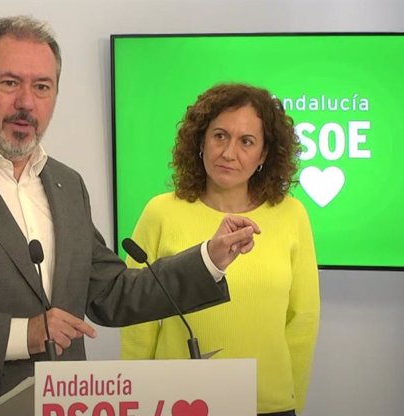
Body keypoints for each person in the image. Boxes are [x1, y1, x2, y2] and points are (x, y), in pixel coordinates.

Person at [0, 17, 260, 415]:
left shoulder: (66, 184)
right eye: (9, 83)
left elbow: (112, 293)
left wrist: (209, 258)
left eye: (42, 87)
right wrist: (25, 333)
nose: (26, 102)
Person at [120, 83, 320, 416]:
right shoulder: (160, 212)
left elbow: (303, 319)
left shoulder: (291, 215)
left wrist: (292, 399)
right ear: (200, 141)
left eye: (247, 141)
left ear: (264, 155)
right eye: (219, 136)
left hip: (268, 403)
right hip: (175, 403)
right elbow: (136, 318)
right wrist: (135, 399)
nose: (229, 153)